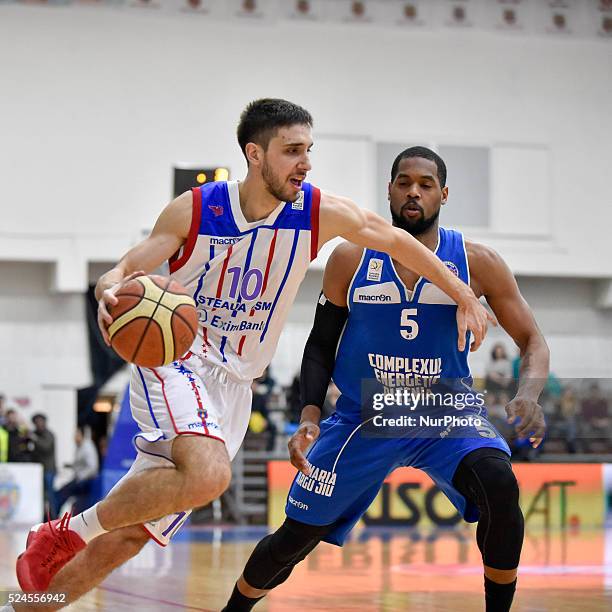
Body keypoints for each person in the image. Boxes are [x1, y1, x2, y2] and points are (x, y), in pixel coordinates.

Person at [13, 101, 493, 610]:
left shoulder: (317, 212)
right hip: (178, 357)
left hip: (236, 387)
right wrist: (109, 285)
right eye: (291, 151)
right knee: (210, 476)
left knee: (130, 536)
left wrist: (461, 292)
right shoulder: (195, 209)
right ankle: (64, 530)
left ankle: (21, 607)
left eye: (308, 151)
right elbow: (128, 266)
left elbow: (395, 240)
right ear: (254, 153)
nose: (305, 163)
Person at [222, 147, 549, 612]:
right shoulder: (351, 257)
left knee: (498, 482)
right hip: (363, 416)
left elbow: (533, 341)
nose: (413, 191)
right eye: (404, 182)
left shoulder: (477, 262)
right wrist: (310, 417)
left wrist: (529, 394)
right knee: (295, 537)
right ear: (391, 189)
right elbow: (319, 346)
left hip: (446, 414)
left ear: (444, 193)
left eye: (426, 184)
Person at [55, 427, 100, 516]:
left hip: (86, 481)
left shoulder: (87, 447)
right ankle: (55, 516)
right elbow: (80, 464)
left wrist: (80, 477)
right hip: (81, 479)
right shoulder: (80, 446)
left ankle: (54, 517)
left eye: (76, 434)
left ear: (81, 435)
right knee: (61, 493)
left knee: (62, 493)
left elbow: (92, 467)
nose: (74, 437)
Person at [29, 414, 57, 519]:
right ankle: (43, 517)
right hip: (38, 471)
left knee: (50, 496)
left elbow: (45, 448)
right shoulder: (35, 434)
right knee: (40, 496)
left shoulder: (49, 435)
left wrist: (34, 438)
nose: (38, 424)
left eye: (40, 421)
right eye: (36, 422)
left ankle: (54, 518)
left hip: (48, 470)